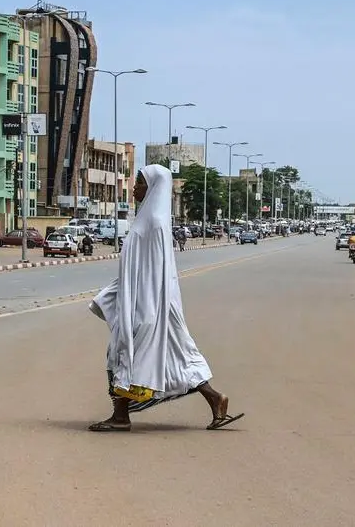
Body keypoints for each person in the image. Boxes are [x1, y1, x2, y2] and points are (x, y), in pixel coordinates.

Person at [87, 165, 243, 432]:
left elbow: (154, 273)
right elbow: (139, 270)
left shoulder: (154, 224)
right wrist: (113, 295)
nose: (134, 188)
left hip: (148, 306)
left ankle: (121, 416)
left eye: (139, 183)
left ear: (153, 187)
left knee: (123, 354)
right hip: (149, 304)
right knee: (177, 358)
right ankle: (216, 399)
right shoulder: (149, 220)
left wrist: (144, 310)